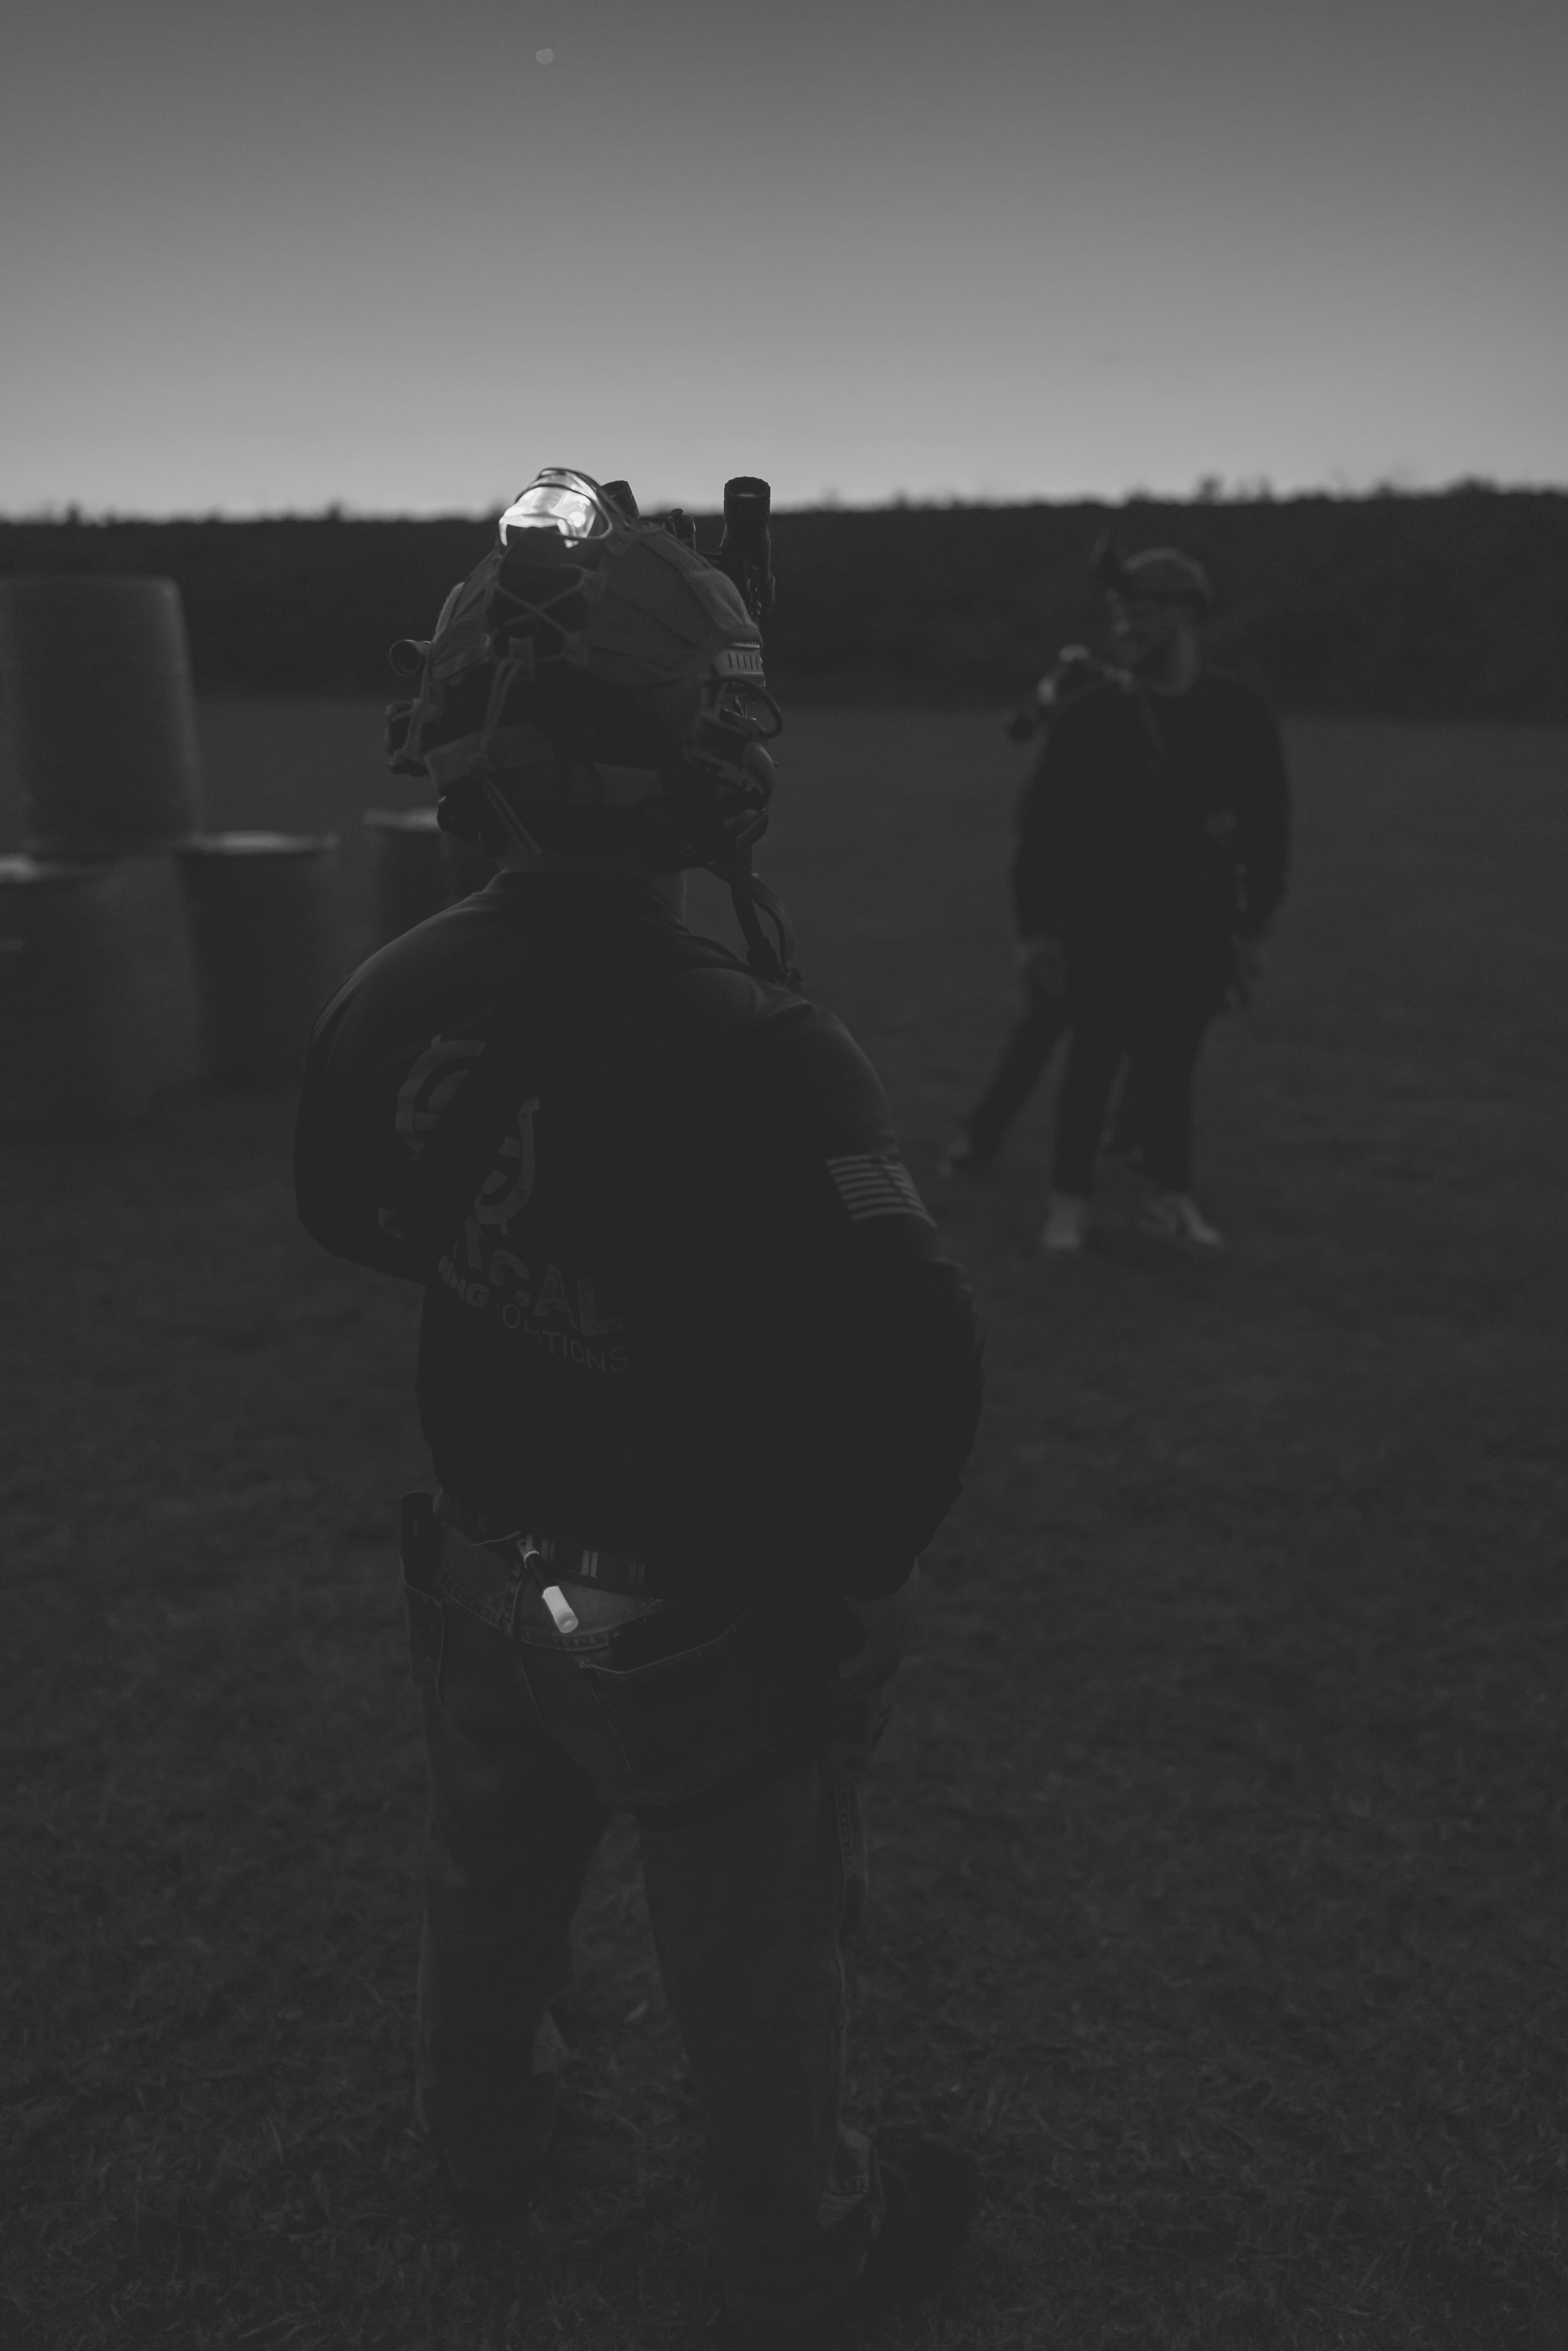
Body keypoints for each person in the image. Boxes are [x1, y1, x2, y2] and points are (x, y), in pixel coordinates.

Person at [293, 468, 985, 2337]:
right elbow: (921, 1360)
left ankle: (482, 2135)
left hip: (485, 1568)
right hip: (699, 1611)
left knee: (488, 1879)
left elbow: (352, 1210)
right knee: (753, 1951)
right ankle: (793, 2238)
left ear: (460, 750)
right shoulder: (763, 1048)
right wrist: (852, 1578)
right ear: (708, 759)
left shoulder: (386, 991)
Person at [1019, 545, 1291, 1255]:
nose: (1127, 628)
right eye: (1119, 614)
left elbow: (1269, 821)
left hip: (1199, 923)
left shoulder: (1239, 712)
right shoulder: (1090, 718)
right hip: (1103, 922)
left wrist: (1255, 922)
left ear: (1187, 616)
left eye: (1142, 611)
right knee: (1093, 1061)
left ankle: (1170, 1197)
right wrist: (1037, 931)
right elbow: (1041, 830)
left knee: (1171, 1068)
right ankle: (1069, 1202)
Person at [940, 644, 1115, 1177]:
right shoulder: (1069, 765)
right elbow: (1034, 852)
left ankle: (1128, 1142)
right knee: (1049, 1025)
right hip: (1071, 914)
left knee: (1101, 1032)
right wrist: (1038, 932)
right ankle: (981, 1137)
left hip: (1117, 908)